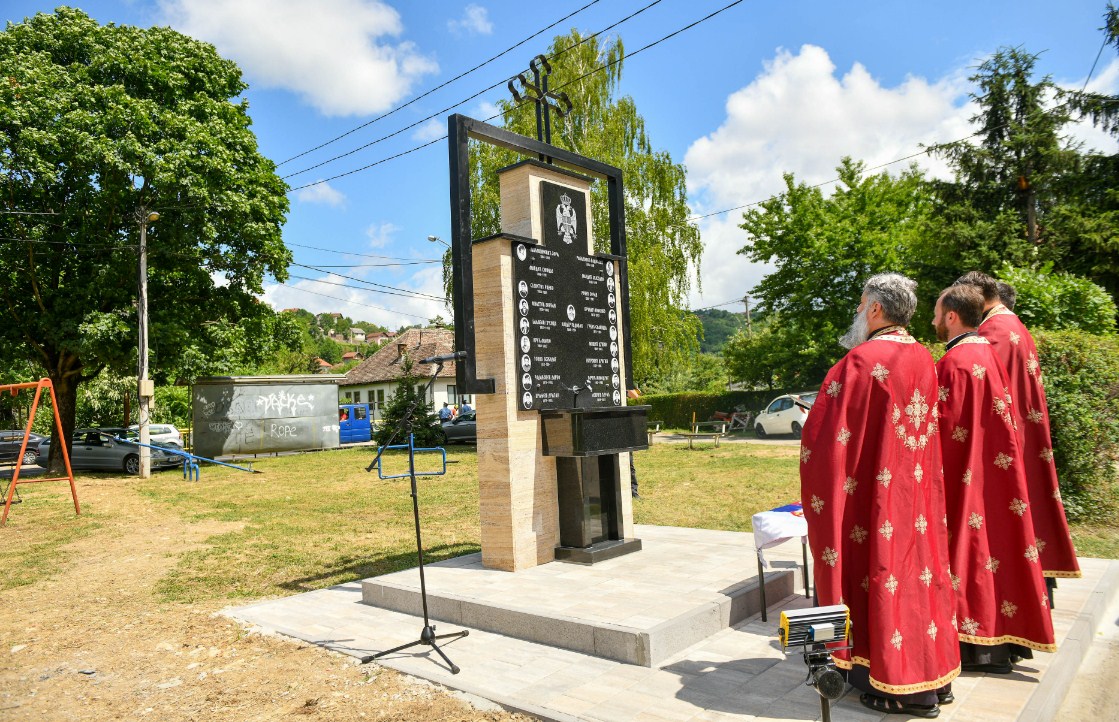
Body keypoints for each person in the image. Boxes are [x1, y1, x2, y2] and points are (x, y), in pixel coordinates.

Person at [800, 273, 959, 717]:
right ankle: (933, 677)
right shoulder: (925, 357)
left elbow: (824, 437)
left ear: (874, 309)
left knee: (880, 572)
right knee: (918, 580)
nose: (856, 313)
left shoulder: (860, 361)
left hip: (873, 500)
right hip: (917, 496)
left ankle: (893, 686)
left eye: (859, 304)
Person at [932, 284, 1056, 674]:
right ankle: (1002, 642)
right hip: (991, 470)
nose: (932, 320)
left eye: (936, 313)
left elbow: (944, 426)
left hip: (965, 473)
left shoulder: (957, 361)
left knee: (970, 551)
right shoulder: (985, 350)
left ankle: (975, 645)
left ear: (952, 316)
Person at [955, 272, 1081, 588]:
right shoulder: (1012, 326)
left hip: (1005, 441)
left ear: (978, 297)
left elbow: (974, 385)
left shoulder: (993, 331)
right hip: (1020, 434)